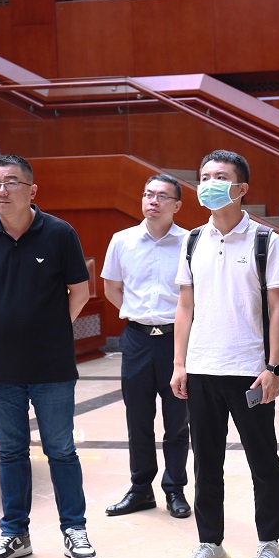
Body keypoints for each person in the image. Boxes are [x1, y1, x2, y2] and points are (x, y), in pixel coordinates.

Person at [0, 154, 97, 558]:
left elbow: (80, 291)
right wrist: (7, 327)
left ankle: (75, 530)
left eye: (10, 182)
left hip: (52, 365)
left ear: (32, 189)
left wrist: (50, 328)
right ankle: (14, 534)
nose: (1, 190)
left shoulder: (59, 233)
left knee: (61, 450)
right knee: (10, 453)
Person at [170, 150, 279, 558]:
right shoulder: (192, 240)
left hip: (249, 371)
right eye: (204, 177)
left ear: (241, 188)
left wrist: (273, 367)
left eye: (220, 177)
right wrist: (179, 363)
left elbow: (278, 308)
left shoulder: (265, 240)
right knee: (206, 462)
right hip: (202, 368)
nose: (209, 184)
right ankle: (210, 544)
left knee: (263, 460)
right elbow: (185, 306)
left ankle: (269, 543)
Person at [102, 174, 191, 519]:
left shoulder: (190, 242)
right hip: (137, 339)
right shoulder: (122, 240)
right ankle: (140, 489)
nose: (153, 201)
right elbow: (112, 288)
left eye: (162, 196)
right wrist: (139, 313)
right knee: (138, 418)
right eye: (148, 194)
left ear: (177, 205)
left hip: (176, 340)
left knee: (177, 421)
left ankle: (175, 489)